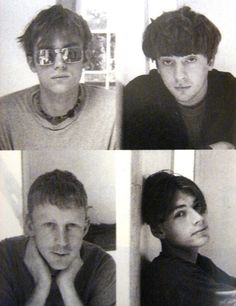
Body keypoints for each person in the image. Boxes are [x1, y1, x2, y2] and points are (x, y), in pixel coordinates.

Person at [0, 5, 116, 150]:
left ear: (85, 58)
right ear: (32, 63)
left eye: (71, 53)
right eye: (46, 55)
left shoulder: (114, 109)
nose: (60, 64)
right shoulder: (4, 113)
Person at [122, 6, 236, 149]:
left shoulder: (231, 92)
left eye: (190, 60)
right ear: (157, 66)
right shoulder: (137, 95)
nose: (179, 76)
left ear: (210, 61)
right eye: (167, 62)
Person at [0, 169, 116, 306]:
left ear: (85, 228)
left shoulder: (102, 265)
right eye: (50, 225)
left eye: (72, 225)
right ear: (30, 226)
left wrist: (67, 287)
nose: (62, 241)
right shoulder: (5, 256)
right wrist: (42, 286)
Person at [141, 170, 236, 306]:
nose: (198, 218)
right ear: (158, 230)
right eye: (180, 214)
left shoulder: (198, 263)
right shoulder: (171, 275)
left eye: (196, 207)